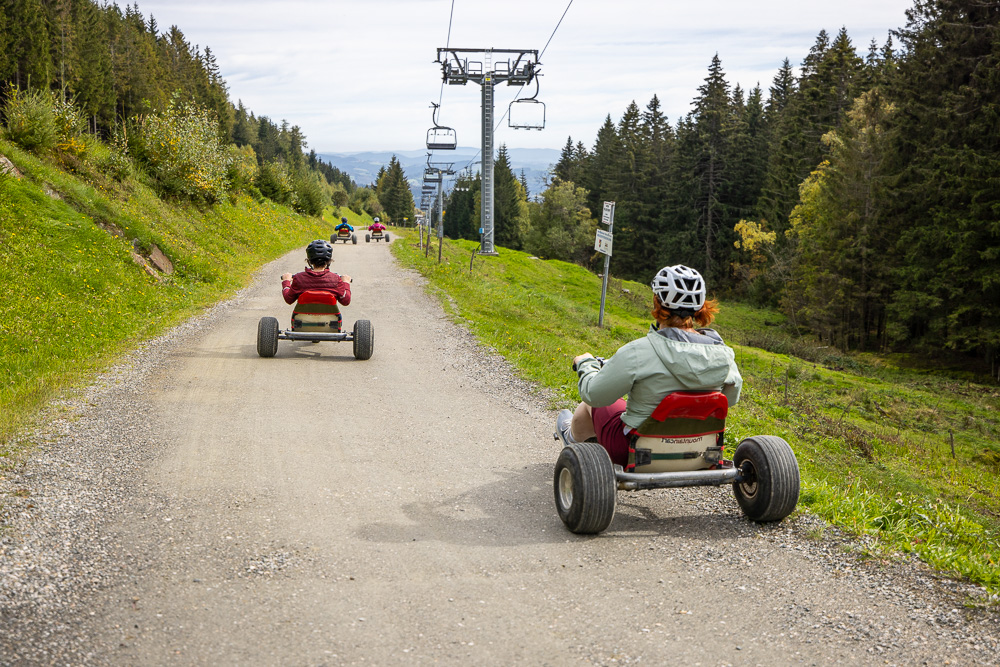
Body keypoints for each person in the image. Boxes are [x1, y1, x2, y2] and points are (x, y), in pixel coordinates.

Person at [555, 264, 742, 467]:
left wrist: (586, 363)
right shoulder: (723, 353)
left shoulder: (639, 351)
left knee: (595, 402)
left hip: (635, 452)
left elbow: (594, 394)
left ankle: (571, 439)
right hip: (701, 451)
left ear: (656, 300)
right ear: (701, 305)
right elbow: (730, 398)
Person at [281, 239, 352, 305]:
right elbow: (345, 301)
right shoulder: (336, 279)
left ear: (309, 260)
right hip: (330, 318)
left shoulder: (298, 278)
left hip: (303, 318)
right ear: (329, 261)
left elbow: (289, 299)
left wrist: (286, 281)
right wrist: (345, 282)